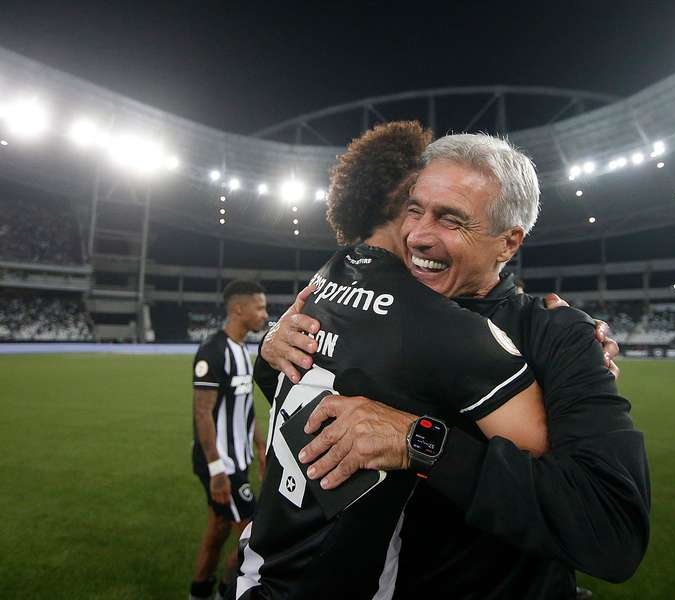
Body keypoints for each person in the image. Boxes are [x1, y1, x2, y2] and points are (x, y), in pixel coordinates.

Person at [261, 133, 651, 599]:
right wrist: (271, 349)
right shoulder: (381, 306)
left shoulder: (557, 336)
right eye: (414, 209)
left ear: (508, 243)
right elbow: (308, 403)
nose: (418, 235)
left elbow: (610, 528)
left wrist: (419, 440)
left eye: (451, 220)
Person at [235, 121, 548, 600]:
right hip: (333, 585)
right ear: (407, 200)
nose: (427, 230)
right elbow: (538, 450)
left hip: (256, 565)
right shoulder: (445, 327)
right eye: (424, 204)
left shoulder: (322, 282)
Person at [190, 280, 269, 600]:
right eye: (259, 307)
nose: (265, 314)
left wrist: (260, 447)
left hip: (238, 458)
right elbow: (202, 413)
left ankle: (198, 592)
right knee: (252, 542)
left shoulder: (242, 349)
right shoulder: (213, 349)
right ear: (238, 309)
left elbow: (245, 405)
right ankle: (227, 594)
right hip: (222, 463)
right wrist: (217, 469)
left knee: (218, 531)